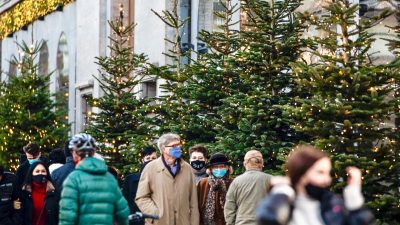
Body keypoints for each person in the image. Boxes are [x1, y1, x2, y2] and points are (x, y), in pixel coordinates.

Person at [256, 145, 375, 225]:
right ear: (301, 173)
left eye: (328, 173)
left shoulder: (331, 204)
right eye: (320, 172)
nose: (327, 180)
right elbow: (267, 217)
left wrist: (354, 198)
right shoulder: (285, 203)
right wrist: (282, 193)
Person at [58, 133, 129, 225]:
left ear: (75, 154)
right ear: (94, 152)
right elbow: (123, 213)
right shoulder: (109, 178)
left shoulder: (74, 179)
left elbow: (67, 216)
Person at [135, 133, 199, 225]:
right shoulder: (150, 168)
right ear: (163, 148)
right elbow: (141, 197)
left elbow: (193, 201)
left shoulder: (187, 168)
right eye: (174, 146)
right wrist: (156, 213)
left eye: (179, 145)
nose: (178, 148)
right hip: (159, 222)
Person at [224, 150, 272, 225]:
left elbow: (230, 208)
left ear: (245, 163)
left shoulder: (236, 181)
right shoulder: (271, 180)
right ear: (262, 163)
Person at [122, 146, 157, 225]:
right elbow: (124, 202)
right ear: (142, 160)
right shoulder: (130, 179)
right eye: (148, 158)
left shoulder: (162, 178)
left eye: (154, 158)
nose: (151, 160)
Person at [198, 152, 233, 225]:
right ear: (210, 169)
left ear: (227, 168)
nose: (219, 169)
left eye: (222, 166)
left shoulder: (233, 183)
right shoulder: (203, 183)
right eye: (215, 167)